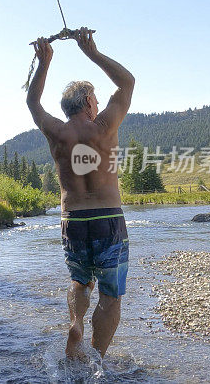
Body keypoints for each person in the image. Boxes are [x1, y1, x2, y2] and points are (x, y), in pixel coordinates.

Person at [25, 28, 135, 360]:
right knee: (111, 296)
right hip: (108, 221)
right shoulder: (104, 127)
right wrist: (91, 52)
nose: (99, 104)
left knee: (79, 281)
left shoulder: (56, 131)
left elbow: (32, 101)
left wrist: (44, 62)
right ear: (88, 102)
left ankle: (76, 323)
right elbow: (127, 83)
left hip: (71, 221)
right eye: (97, 100)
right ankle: (97, 361)